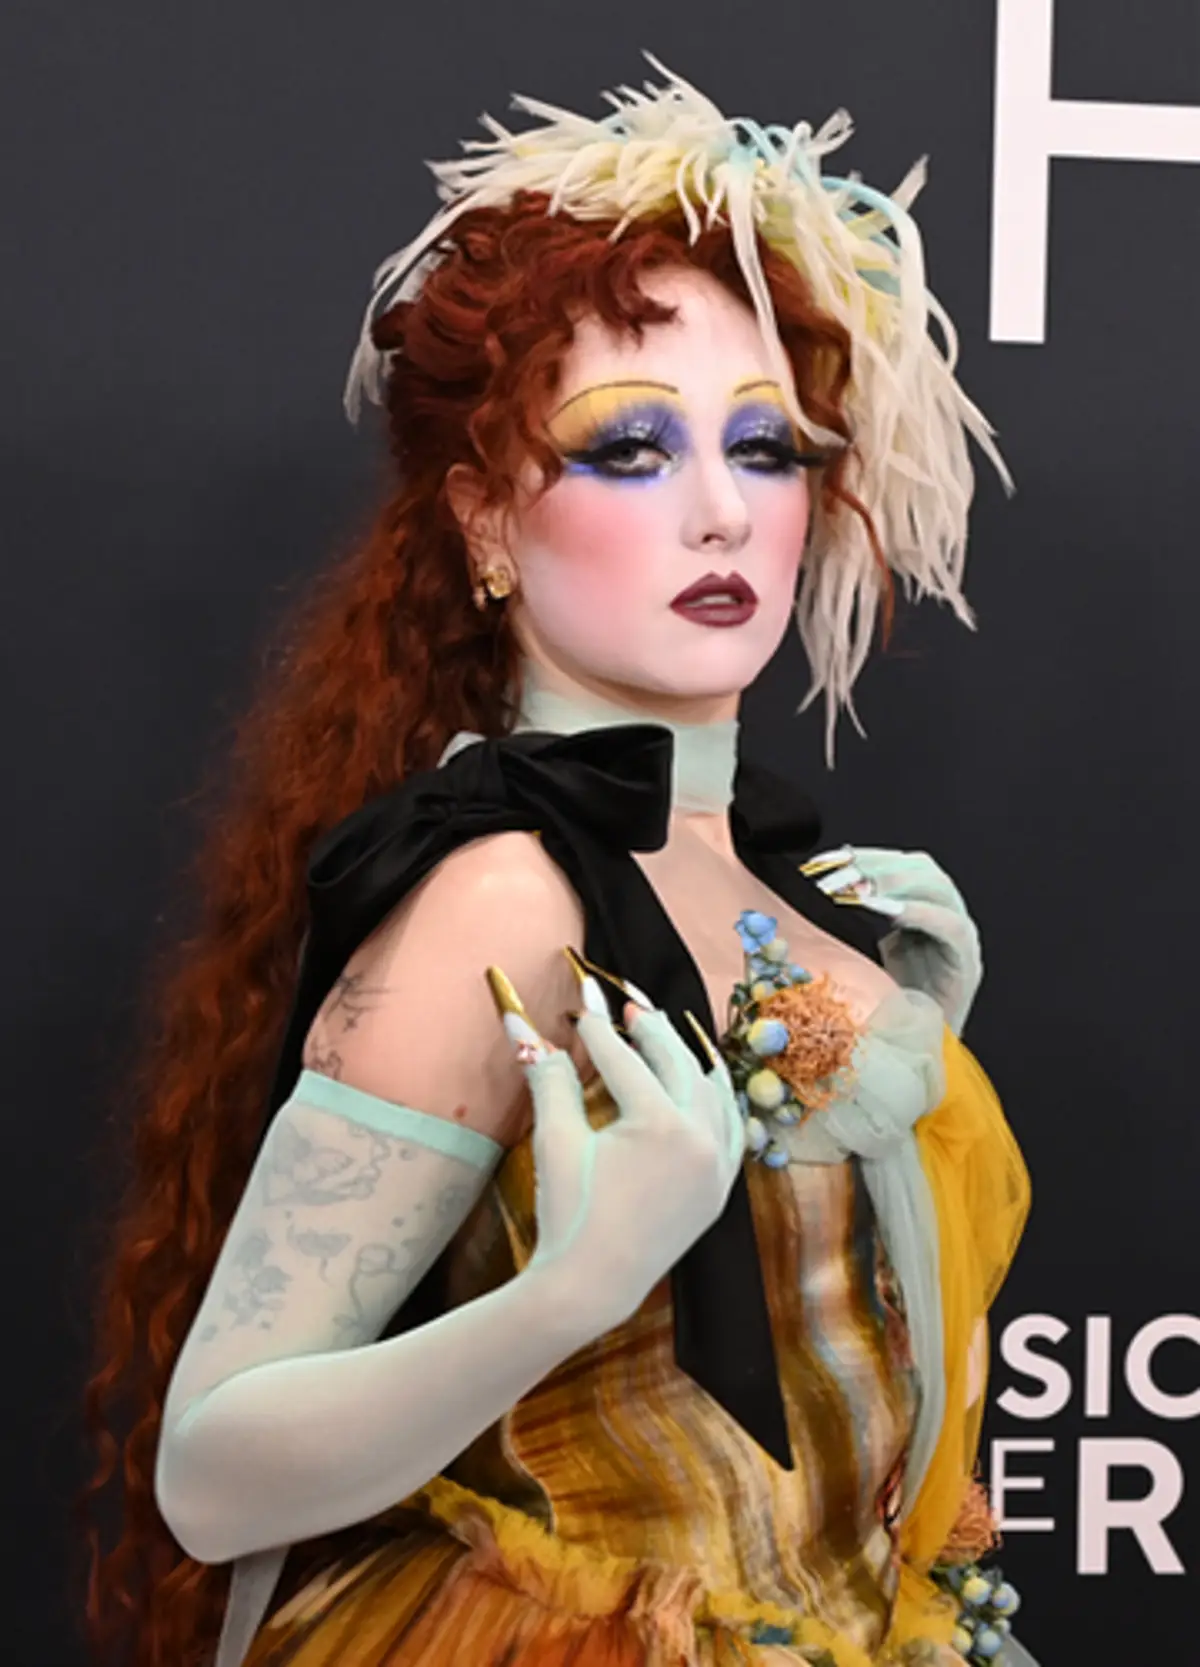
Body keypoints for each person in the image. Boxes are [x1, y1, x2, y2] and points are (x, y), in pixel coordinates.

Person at [84, 61, 1035, 1667]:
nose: (723, 512)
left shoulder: (812, 899)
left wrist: (910, 1057)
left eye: (767, 446)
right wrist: (568, 1285)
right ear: (484, 522)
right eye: (632, 448)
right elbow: (214, 1471)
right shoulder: (502, 894)